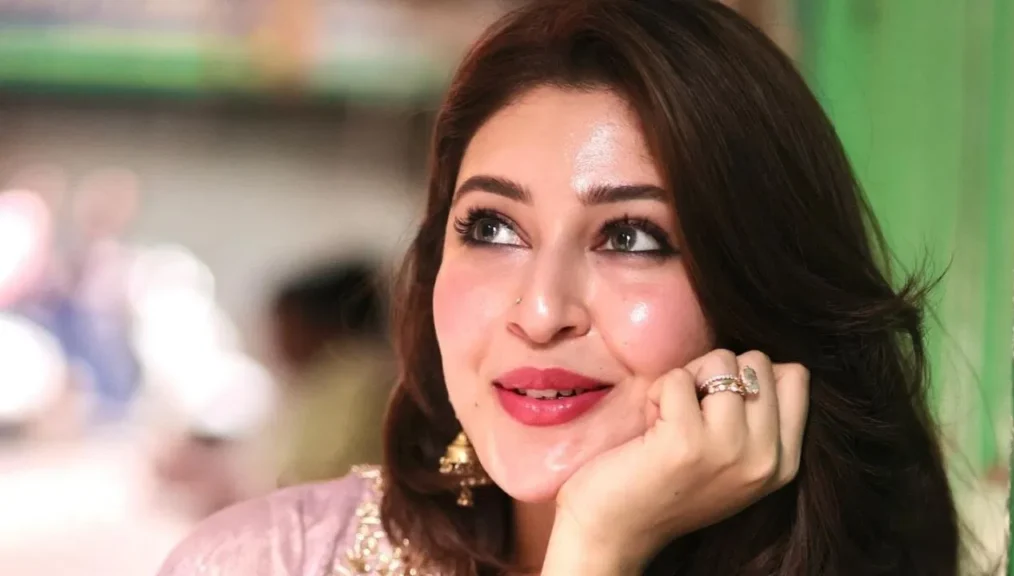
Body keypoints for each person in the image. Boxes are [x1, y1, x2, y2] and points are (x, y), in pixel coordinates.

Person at [158, 1, 962, 575]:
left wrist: (598, 542)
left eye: (632, 238)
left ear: (760, 284)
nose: (541, 313)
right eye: (492, 227)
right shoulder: (265, 561)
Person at [267, 260, 394, 486]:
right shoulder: (348, 377)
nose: (276, 342)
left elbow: (319, 474)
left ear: (317, 323)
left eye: (285, 326)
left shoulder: (351, 380)